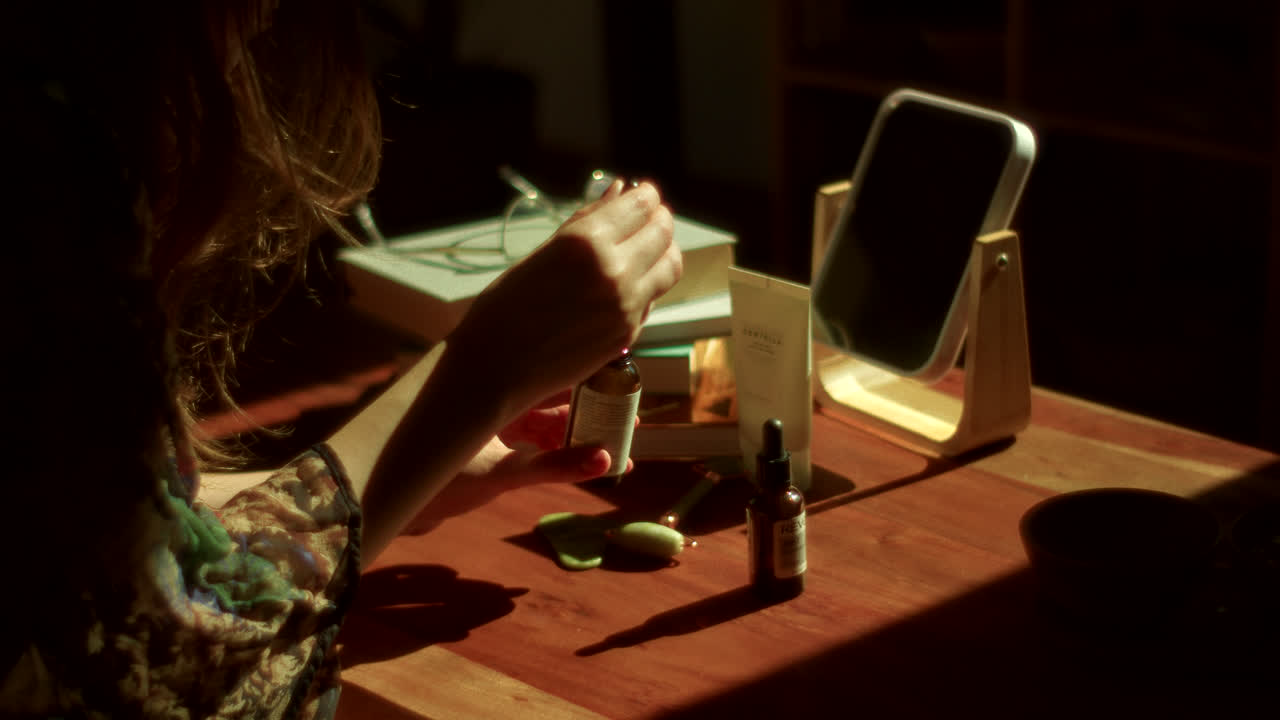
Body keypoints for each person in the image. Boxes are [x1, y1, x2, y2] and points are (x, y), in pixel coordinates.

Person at [1, 1, 682, 717]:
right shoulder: (37, 166)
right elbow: (155, 670)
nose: (265, 22)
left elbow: (80, 540)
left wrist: (408, 473)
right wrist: (483, 370)